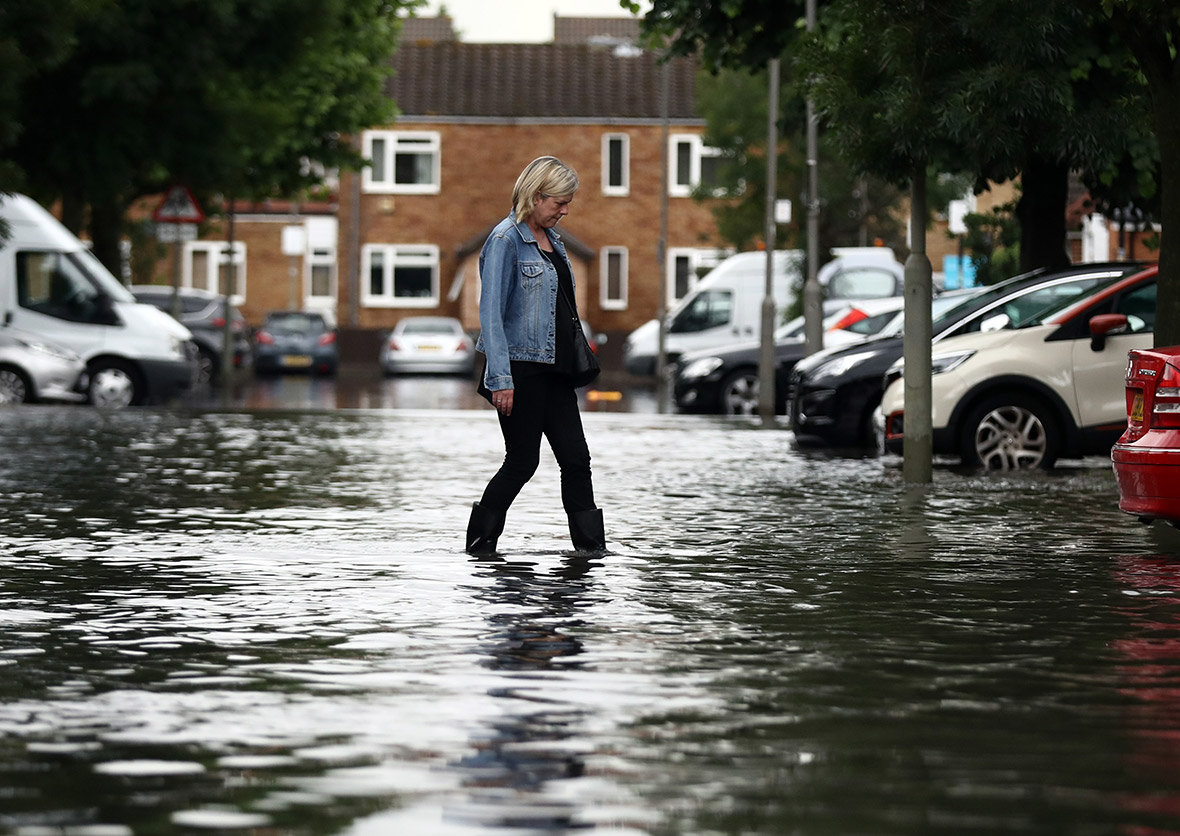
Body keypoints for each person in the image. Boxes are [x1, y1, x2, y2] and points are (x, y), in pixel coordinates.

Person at [466, 156, 606, 556]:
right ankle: (479, 545)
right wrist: (501, 379)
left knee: (577, 460)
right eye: (559, 202)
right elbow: (490, 314)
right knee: (523, 461)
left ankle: (591, 551)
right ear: (536, 194)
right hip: (521, 370)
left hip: (556, 370)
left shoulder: (554, 241)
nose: (565, 210)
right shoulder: (504, 240)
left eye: (568, 203)